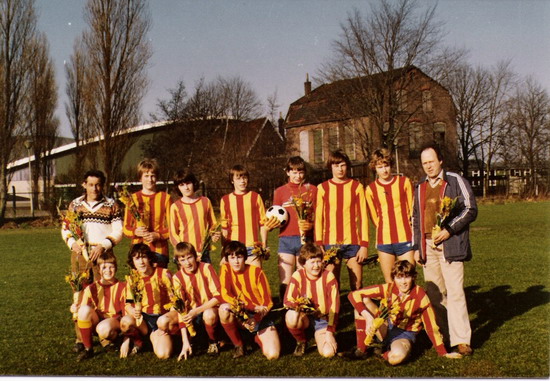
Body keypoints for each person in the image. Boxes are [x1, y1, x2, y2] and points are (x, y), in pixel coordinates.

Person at [412, 143, 477, 356]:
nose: (428, 166)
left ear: (440, 160)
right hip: (427, 248)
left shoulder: (455, 181)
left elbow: (470, 209)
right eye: (424, 163)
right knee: (435, 295)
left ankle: (462, 340)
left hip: (450, 245)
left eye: (431, 161)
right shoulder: (420, 187)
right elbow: (415, 221)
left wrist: (448, 230)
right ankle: (444, 337)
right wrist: (417, 248)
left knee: (455, 293)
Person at [348, 260, 462, 364]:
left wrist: (443, 352)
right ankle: (361, 350)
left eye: (407, 277)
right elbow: (353, 295)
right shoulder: (389, 288)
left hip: (404, 334)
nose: (403, 282)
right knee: (362, 301)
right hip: (385, 327)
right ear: (394, 278)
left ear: (413, 277)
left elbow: (431, 325)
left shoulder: (420, 295)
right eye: (399, 277)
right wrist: (368, 317)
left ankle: (383, 352)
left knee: (396, 358)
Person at [61, 169, 123, 353]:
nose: (94, 188)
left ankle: (105, 337)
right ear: (84, 184)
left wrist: (103, 245)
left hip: (103, 254)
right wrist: (73, 244)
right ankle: (80, 338)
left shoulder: (112, 204)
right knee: (80, 295)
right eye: (90, 184)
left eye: (98, 184)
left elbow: (118, 231)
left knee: (104, 296)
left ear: (102, 185)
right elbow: (66, 229)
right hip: (81, 255)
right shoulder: (75, 204)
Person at [158, 242, 222, 361]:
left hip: (209, 309)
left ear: (196, 256)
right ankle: (189, 341)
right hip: (190, 314)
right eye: (183, 260)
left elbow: (218, 296)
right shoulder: (177, 278)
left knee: (209, 315)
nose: (187, 263)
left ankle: (213, 341)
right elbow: (181, 310)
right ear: (178, 261)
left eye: (189, 257)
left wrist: (197, 311)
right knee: (162, 321)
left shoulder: (206, 268)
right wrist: (185, 342)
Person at [315, 150, 369, 291]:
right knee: (331, 286)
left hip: (353, 242)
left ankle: (359, 313)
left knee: (356, 286)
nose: (340, 169)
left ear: (347, 166)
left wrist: (364, 245)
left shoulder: (357, 187)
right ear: (330, 167)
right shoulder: (323, 188)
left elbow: (363, 216)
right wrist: (319, 243)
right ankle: (334, 313)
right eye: (336, 165)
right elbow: (319, 218)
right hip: (330, 243)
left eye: (343, 165)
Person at [218, 241, 280, 360]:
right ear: (227, 259)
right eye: (232, 257)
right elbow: (225, 294)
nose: (236, 261)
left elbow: (268, 302)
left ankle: (254, 338)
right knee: (223, 309)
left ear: (245, 257)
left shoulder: (257, 272)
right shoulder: (225, 269)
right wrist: (249, 308)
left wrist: (255, 318)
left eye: (239, 257)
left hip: (259, 316)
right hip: (240, 313)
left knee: (273, 355)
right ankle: (239, 345)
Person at [365, 148, 414, 283]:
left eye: (386, 165)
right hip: (384, 241)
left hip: (405, 238)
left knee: (408, 279)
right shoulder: (370, 190)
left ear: (391, 165)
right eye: (380, 167)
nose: (384, 170)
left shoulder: (404, 182)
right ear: (374, 168)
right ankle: (393, 305)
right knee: (390, 282)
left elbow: (412, 210)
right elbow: (374, 217)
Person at [273, 156, 317, 302]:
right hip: (285, 239)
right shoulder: (280, 191)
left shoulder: (312, 190)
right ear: (287, 172)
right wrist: (271, 223)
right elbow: (276, 216)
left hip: (305, 240)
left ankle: (304, 311)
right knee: (285, 280)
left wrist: (310, 225)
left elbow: (318, 216)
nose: (297, 176)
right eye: (294, 172)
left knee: (303, 278)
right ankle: (285, 312)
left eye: (301, 172)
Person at [284, 243, 339, 358]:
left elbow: (335, 306)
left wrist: (330, 331)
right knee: (292, 315)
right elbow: (287, 301)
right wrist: (303, 306)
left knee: (328, 353)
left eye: (318, 261)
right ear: (304, 264)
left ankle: (320, 335)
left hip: (322, 320)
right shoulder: (297, 275)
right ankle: (301, 341)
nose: (316, 266)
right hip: (304, 319)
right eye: (312, 262)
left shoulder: (328, 276)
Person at [119, 243, 173, 359]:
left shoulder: (163, 273)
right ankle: (138, 341)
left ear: (149, 258)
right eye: (137, 258)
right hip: (142, 321)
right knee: (125, 322)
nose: (141, 262)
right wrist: (132, 311)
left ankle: (153, 338)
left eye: (144, 257)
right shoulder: (132, 278)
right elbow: (127, 303)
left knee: (164, 354)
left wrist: (165, 323)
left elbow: (175, 300)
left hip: (160, 320)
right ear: (132, 261)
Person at [220, 165, 276, 267]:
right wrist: (224, 251)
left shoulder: (255, 197)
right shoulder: (225, 200)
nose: (242, 181)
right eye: (238, 178)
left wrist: (264, 245)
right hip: (233, 249)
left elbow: (263, 224)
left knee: (254, 281)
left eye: (244, 178)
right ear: (232, 181)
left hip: (252, 248)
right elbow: (224, 227)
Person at [75, 252, 126, 361]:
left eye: (111, 267)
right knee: (83, 310)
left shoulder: (123, 287)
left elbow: (126, 313)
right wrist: (76, 308)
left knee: (103, 328)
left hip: (114, 322)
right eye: (104, 267)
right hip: (98, 321)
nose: (108, 270)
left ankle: (113, 339)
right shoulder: (91, 288)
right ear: (98, 270)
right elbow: (83, 310)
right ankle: (88, 348)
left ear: (116, 268)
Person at [122, 159, 171, 268]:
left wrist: (158, 235)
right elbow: (126, 228)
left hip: (159, 252)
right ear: (140, 178)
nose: (150, 179)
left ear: (157, 177)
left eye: (153, 176)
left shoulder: (165, 198)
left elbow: (173, 228)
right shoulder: (132, 199)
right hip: (138, 253)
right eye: (146, 176)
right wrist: (136, 231)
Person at [169, 169, 219, 263]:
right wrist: (183, 251)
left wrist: (213, 235)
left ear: (194, 183)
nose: (186, 188)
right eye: (182, 185)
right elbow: (173, 233)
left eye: (188, 183)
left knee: (205, 277)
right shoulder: (175, 207)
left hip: (204, 252)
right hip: (185, 255)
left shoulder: (205, 202)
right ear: (178, 188)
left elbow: (213, 224)